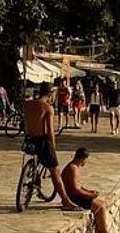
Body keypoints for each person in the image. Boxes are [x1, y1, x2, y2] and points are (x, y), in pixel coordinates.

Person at [24, 83, 80, 211]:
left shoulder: (27, 104)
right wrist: (53, 146)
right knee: (55, 171)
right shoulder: (47, 107)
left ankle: (34, 178)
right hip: (42, 140)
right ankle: (65, 201)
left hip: (29, 138)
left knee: (38, 160)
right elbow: (49, 131)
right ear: (50, 94)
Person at [62, 147, 116, 233]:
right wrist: (90, 195)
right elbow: (75, 189)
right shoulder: (72, 168)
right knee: (100, 207)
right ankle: (105, 232)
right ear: (83, 159)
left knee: (101, 202)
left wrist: (89, 191)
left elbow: (78, 186)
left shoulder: (75, 167)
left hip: (77, 194)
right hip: (74, 197)